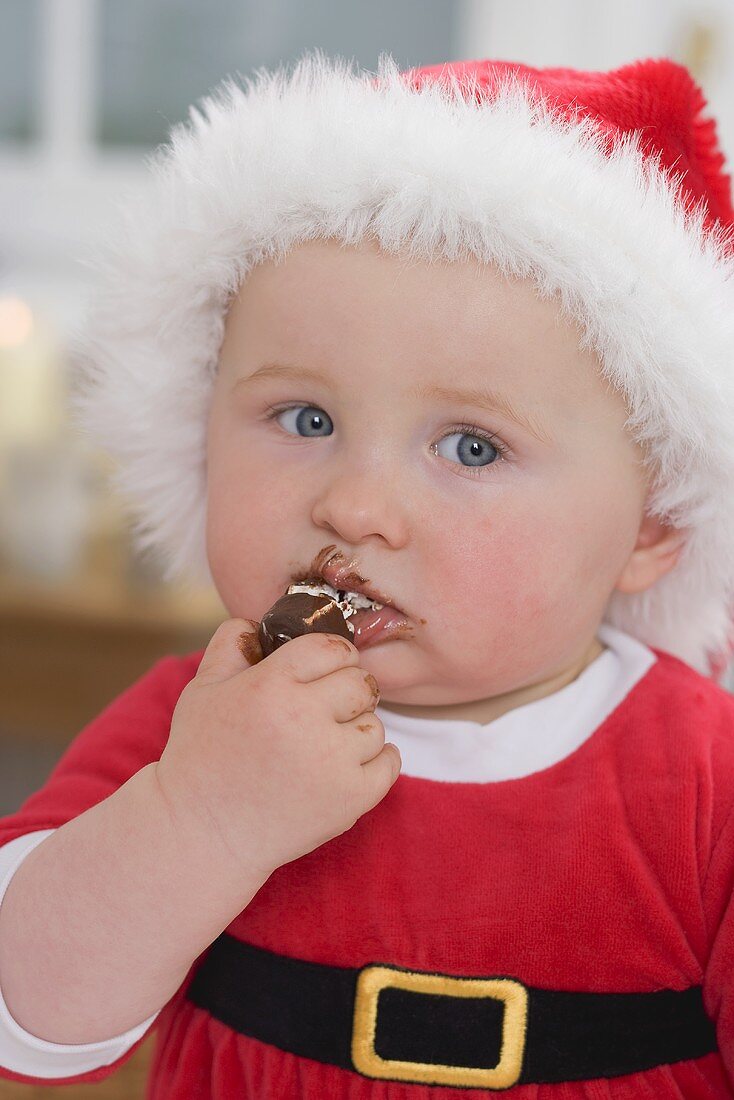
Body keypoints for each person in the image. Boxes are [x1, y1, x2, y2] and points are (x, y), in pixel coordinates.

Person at [0, 49, 734, 1097]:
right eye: (305, 419)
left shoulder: (704, 784)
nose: (352, 506)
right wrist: (199, 819)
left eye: (470, 447)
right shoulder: (200, 724)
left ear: (654, 522)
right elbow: (27, 1014)